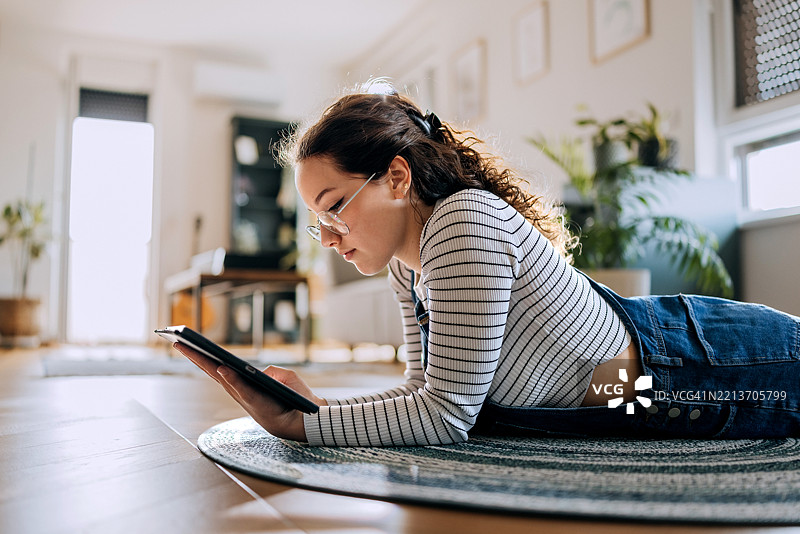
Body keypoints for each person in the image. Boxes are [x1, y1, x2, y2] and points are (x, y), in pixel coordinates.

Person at [176, 86, 800, 446]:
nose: (330, 237)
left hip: (693, 365)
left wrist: (304, 428)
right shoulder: (407, 265)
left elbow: (445, 418)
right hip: (629, 393)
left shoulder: (460, 222)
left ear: (398, 176)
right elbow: (429, 394)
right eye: (319, 221)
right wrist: (316, 411)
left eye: (336, 207)